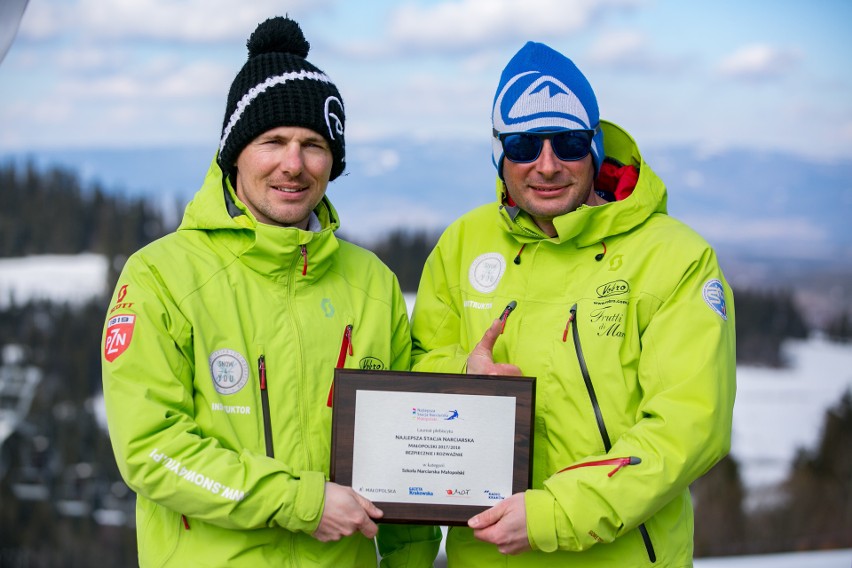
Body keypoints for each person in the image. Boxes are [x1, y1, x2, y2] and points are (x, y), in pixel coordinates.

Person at [101, 17, 440, 567]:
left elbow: (405, 460)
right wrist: (302, 501)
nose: (294, 164)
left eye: (313, 145)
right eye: (273, 141)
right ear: (235, 153)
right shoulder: (160, 277)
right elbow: (151, 451)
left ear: (333, 162)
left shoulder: (373, 285)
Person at [410, 41, 736, 566]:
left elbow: (690, 425)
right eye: (522, 145)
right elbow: (418, 373)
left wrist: (555, 515)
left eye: (567, 142)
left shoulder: (676, 257)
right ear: (498, 153)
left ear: (595, 147)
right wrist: (464, 377)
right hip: (491, 555)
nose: (546, 165)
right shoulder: (461, 245)